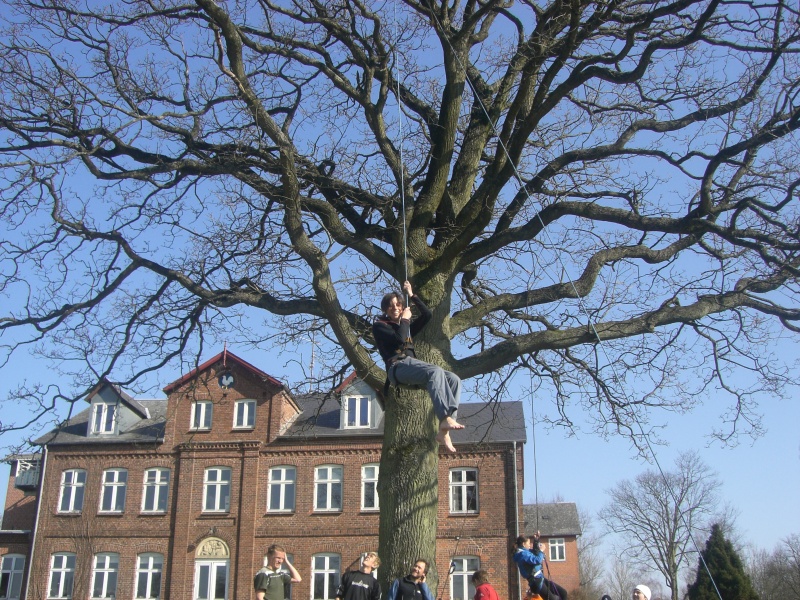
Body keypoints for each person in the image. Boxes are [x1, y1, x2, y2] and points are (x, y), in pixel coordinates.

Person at [373, 280, 464, 452]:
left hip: (412, 366)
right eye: (391, 306)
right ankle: (444, 416)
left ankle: (444, 430)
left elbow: (427, 315)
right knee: (435, 371)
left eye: (398, 305)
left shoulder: (405, 326)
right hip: (397, 367)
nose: (395, 308)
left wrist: (412, 295)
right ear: (385, 309)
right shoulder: (380, 326)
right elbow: (400, 339)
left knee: (453, 379)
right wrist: (405, 321)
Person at [512, 533, 568, 600]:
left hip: (541, 579)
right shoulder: (522, 554)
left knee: (563, 593)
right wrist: (541, 551)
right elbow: (537, 560)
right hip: (536, 582)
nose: (530, 545)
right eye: (528, 543)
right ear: (523, 544)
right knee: (554, 599)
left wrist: (536, 540)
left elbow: (535, 552)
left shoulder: (525, 551)